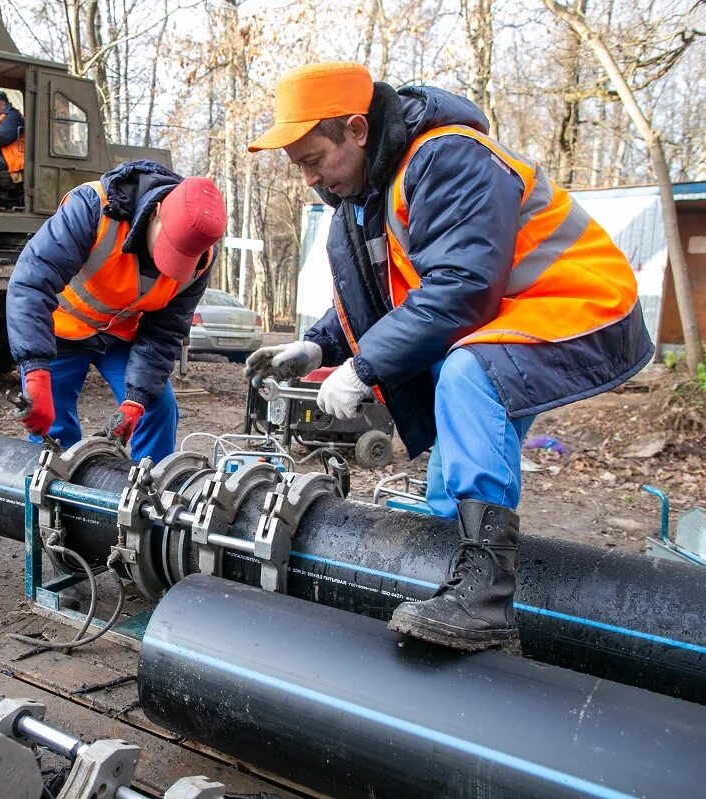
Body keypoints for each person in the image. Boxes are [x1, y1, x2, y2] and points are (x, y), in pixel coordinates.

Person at [244, 63, 652, 653]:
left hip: (582, 302)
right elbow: (388, 294)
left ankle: (484, 601)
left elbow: (462, 286)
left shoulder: (446, 156)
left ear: (357, 129)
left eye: (314, 159)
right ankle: (448, 587)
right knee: (449, 469)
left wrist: (364, 368)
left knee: (466, 374)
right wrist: (320, 345)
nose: (309, 179)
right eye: (299, 166)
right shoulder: (367, 197)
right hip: (510, 317)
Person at [7, 160, 226, 462]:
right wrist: (34, 369)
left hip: (120, 336)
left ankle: (149, 492)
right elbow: (30, 283)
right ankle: (53, 500)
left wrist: (135, 402)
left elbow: (165, 332)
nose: (170, 267)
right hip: (62, 331)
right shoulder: (93, 208)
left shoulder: (200, 261)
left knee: (157, 407)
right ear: (158, 211)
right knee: (51, 425)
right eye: (169, 250)